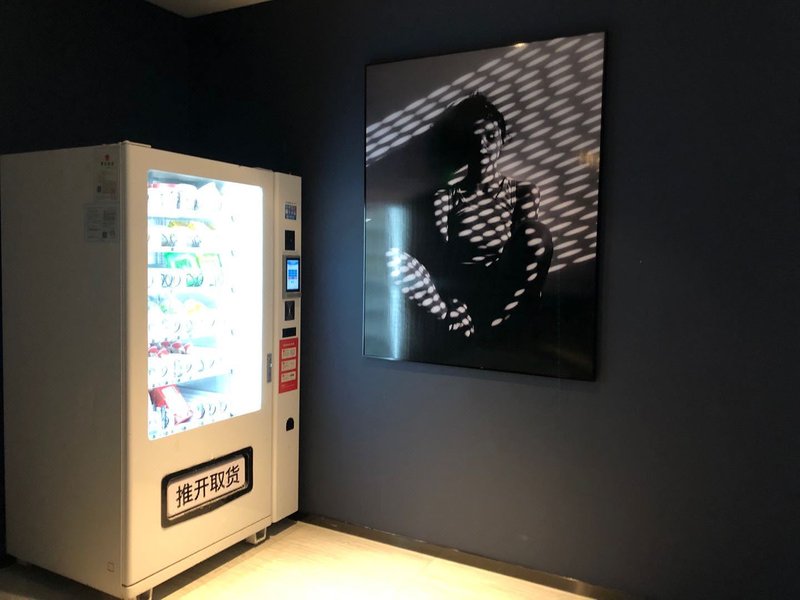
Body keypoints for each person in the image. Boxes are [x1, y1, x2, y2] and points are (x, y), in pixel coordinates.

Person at [386, 93, 553, 341]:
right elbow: (440, 260)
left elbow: (523, 256)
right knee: (393, 259)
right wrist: (453, 302)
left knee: (536, 234)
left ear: (503, 140)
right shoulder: (446, 197)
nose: (482, 145)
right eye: (474, 138)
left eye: (490, 137)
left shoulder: (522, 193)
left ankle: (493, 326)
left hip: (499, 290)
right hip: (459, 291)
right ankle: (454, 321)